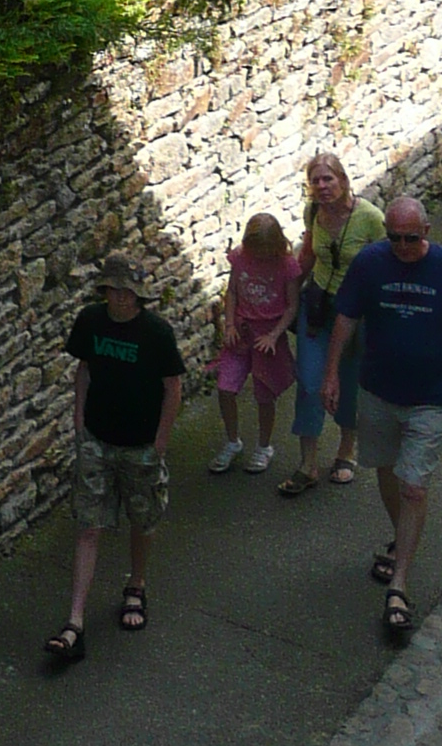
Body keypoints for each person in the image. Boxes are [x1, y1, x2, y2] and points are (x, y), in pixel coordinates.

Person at [323, 193, 442, 645]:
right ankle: (402, 542)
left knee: (414, 484)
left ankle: (398, 587)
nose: (401, 247)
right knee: (385, 471)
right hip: (378, 392)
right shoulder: (370, 264)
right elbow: (346, 317)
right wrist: (333, 372)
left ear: (426, 233)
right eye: (394, 238)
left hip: (431, 399)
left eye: (410, 239)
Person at [45, 249, 185, 670]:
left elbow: (172, 387)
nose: (121, 300)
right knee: (89, 525)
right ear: (104, 291)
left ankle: (136, 585)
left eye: (128, 293)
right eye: (114, 291)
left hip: (140, 445)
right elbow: (84, 370)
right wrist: (79, 422)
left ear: (138, 295)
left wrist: (159, 444)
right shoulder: (91, 321)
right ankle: (74, 623)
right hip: (97, 441)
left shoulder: (156, 333)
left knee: (141, 520)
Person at [278, 150, 384, 499]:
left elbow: (386, 267)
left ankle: (346, 451)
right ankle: (308, 464)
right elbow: (307, 254)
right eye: (316, 181)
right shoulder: (314, 213)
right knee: (310, 383)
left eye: (328, 179)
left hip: (356, 314)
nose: (322, 187)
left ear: (343, 180)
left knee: (349, 383)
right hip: (318, 307)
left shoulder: (369, 218)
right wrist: (285, 296)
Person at [208, 213, 300, 476]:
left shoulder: (287, 265)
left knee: (264, 393)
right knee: (226, 387)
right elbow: (233, 292)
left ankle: (264, 446)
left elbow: (292, 305)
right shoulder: (240, 257)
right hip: (242, 332)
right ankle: (232, 441)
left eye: (265, 249)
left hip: (268, 334)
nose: (259, 255)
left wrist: (274, 335)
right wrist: (229, 326)